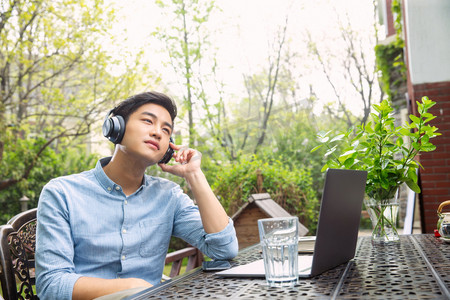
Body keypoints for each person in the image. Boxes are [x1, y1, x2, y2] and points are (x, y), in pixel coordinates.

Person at [35, 91, 238, 300]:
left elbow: (224, 249)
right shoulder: (61, 193)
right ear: (116, 127)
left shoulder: (169, 196)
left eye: (166, 130)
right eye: (148, 121)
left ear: (167, 150)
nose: (158, 133)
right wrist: (134, 287)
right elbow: (51, 285)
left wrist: (194, 175)